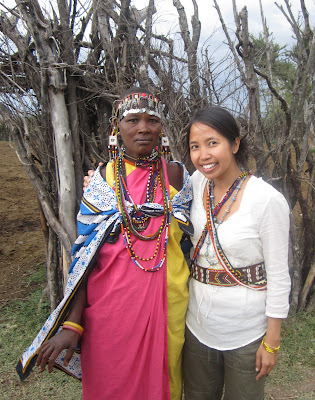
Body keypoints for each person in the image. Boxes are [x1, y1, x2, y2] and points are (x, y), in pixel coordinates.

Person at [16, 87, 193, 400]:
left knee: (164, 384)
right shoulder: (100, 180)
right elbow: (85, 259)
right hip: (110, 312)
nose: (143, 128)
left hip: (168, 305)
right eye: (133, 120)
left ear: (161, 128)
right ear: (116, 128)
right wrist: (73, 324)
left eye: (152, 120)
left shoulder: (179, 175)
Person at [183, 106, 291, 400]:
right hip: (197, 326)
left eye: (212, 143)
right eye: (195, 146)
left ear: (235, 144)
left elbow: (279, 276)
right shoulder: (194, 183)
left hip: (246, 332)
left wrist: (272, 341)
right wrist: (99, 181)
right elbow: (151, 197)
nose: (203, 155)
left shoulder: (266, 200)